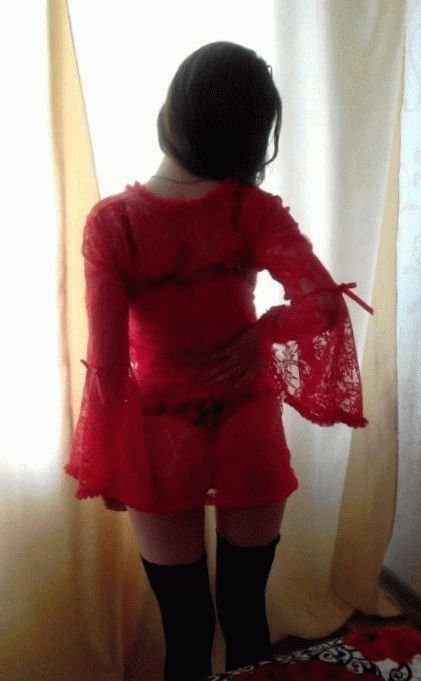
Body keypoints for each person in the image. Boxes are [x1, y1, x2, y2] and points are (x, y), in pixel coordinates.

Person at [64, 41, 373, 681]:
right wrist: (261, 336)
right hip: (245, 425)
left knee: (185, 631)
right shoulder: (249, 211)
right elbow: (322, 305)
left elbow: (109, 365)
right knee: (246, 617)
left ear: (174, 110)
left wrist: (113, 460)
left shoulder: (114, 223)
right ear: (254, 135)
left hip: (161, 435)